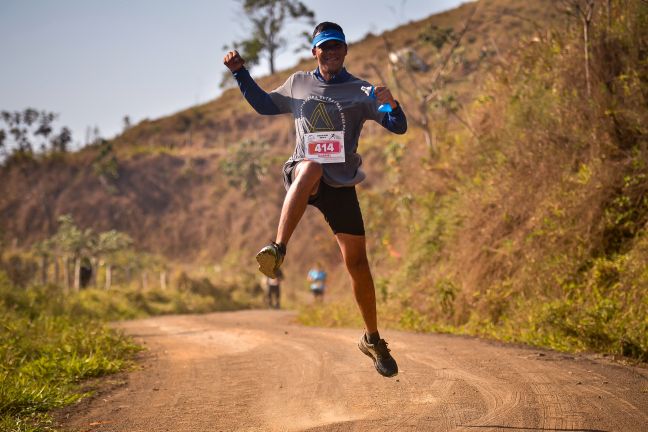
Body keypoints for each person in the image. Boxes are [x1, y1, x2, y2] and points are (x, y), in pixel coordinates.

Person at [223, 21, 407, 378]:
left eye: (338, 45)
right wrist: (240, 73)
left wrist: (392, 105)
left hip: (340, 185)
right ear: (315, 52)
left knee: (358, 264)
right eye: (325, 46)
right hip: (303, 175)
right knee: (310, 168)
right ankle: (277, 249)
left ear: (346, 50)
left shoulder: (362, 91)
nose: (332, 52)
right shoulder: (298, 84)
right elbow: (263, 105)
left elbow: (397, 126)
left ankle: (372, 338)